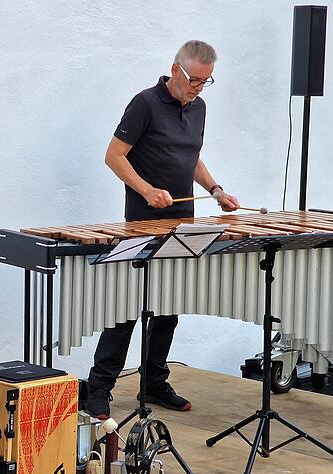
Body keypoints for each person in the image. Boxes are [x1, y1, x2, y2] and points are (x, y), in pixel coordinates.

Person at [85, 41, 240, 420]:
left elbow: (191, 156)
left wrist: (215, 190)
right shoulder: (144, 104)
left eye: (205, 82)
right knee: (124, 310)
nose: (197, 89)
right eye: (193, 80)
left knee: (167, 308)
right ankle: (99, 389)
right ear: (175, 70)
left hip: (181, 224)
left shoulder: (199, 107)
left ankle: (153, 382)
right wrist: (147, 190)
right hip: (142, 224)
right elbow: (113, 156)